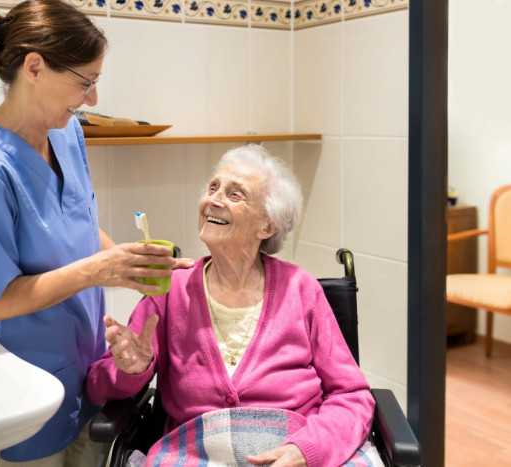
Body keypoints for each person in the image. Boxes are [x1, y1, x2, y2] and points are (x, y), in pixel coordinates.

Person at [0, 1, 191, 465]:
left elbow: (74, 219)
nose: (91, 99)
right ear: (34, 67)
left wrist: (136, 266)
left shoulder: (67, 133)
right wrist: (98, 271)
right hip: (27, 390)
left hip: (91, 372)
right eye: (84, 82)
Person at [87, 144, 376, 467]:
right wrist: (131, 369)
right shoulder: (170, 290)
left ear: (267, 225)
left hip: (293, 447)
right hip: (196, 454)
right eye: (213, 188)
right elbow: (99, 385)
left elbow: (352, 395)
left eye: (235, 194)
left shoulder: (301, 289)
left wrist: (306, 451)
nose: (213, 199)